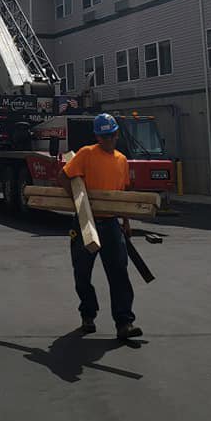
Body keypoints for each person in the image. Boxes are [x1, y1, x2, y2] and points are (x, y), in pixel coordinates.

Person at [59, 112, 143, 341]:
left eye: (112, 135)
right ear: (98, 136)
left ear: (117, 134)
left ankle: (125, 323)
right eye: (105, 136)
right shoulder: (86, 154)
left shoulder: (121, 160)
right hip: (86, 222)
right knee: (82, 273)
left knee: (119, 274)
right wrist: (79, 205)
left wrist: (125, 221)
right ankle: (88, 315)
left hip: (111, 223)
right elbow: (64, 176)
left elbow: (122, 195)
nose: (109, 140)